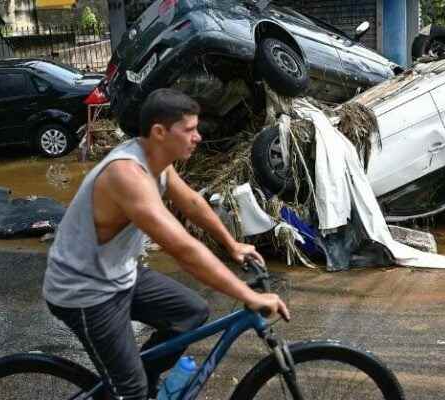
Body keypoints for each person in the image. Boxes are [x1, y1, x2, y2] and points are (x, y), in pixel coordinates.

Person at [43, 88, 291, 400]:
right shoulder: (127, 175)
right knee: (130, 391)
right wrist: (248, 296)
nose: (197, 137)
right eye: (189, 129)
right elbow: (183, 250)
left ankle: (142, 380)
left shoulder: (157, 162)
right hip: (84, 293)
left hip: (119, 274)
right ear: (160, 132)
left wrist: (232, 245)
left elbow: (191, 202)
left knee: (190, 314)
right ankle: (132, 389)